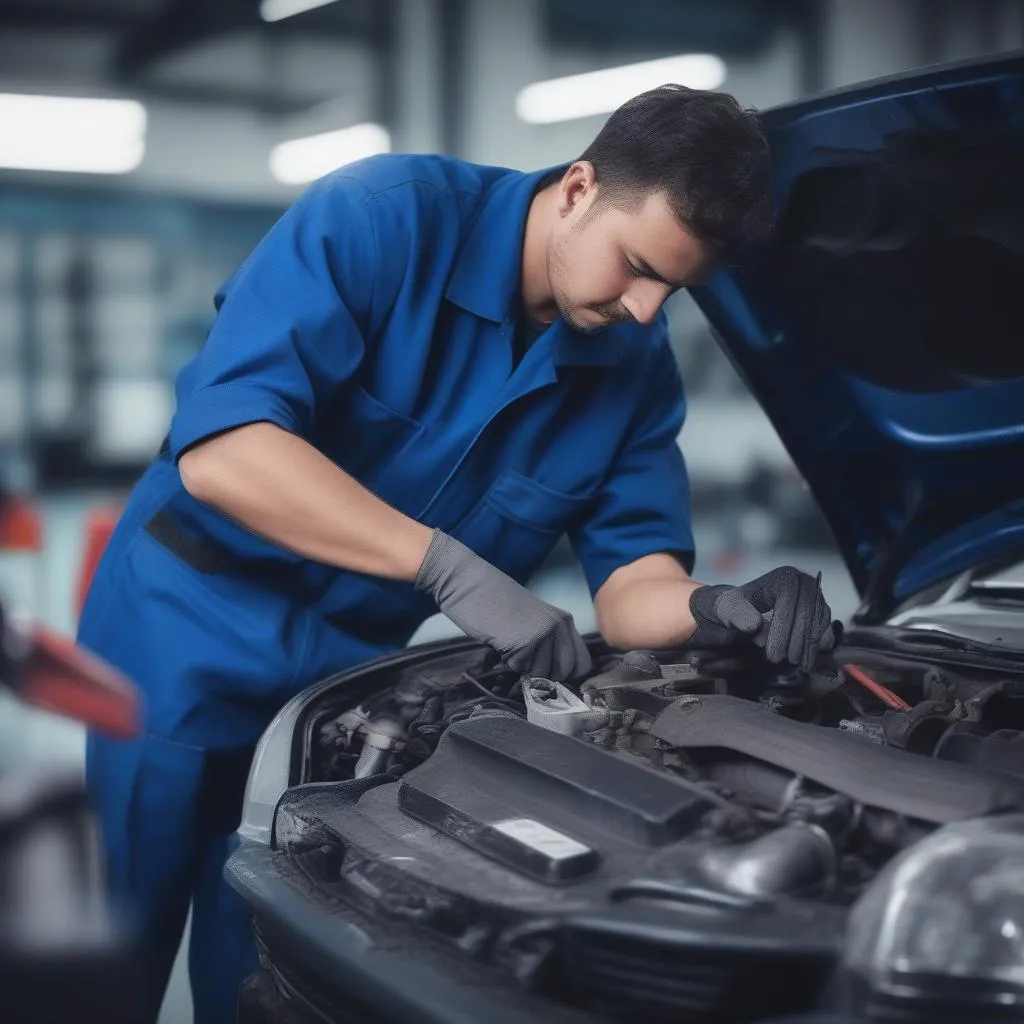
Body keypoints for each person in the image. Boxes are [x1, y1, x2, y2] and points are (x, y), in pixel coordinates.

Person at [79, 84, 834, 1023]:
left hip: (342, 691)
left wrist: (717, 605)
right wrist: (448, 567)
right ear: (578, 188)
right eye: (637, 265)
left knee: (271, 971)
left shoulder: (633, 368)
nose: (646, 310)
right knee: (113, 953)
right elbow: (226, 455)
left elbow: (633, 586)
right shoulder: (377, 221)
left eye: (671, 289)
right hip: (184, 633)